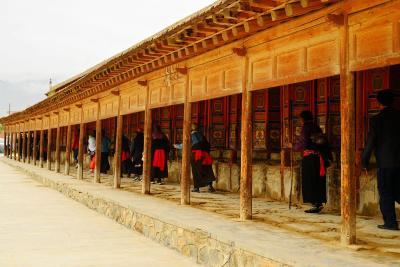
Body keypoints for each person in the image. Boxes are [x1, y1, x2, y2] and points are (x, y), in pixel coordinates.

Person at [362, 89, 400, 231]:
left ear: (378, 103)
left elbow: (370, 142)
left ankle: (390, 222)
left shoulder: (376, 120)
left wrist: (364, 162)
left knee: (385, 192)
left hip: (385, 163)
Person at [293, 110, 331, 213]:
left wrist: (293, 147)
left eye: (300, 119)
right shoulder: (316, 127)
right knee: (318, 180)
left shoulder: (306, 127)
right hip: (319, 158)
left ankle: (315, 204)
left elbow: (304, 142)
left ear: (302, 119)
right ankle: (318, 203)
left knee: (310, 181)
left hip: (310, 158)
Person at [174, 124, 216, 193]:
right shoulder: (201, 135)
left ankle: (197, 188)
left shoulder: (191, 135)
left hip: (196, 155)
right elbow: (208, 145)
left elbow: (185, 145)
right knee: (207, 170)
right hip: (205, 155)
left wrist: (176, 146)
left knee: (196, 171)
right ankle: (210, 186)